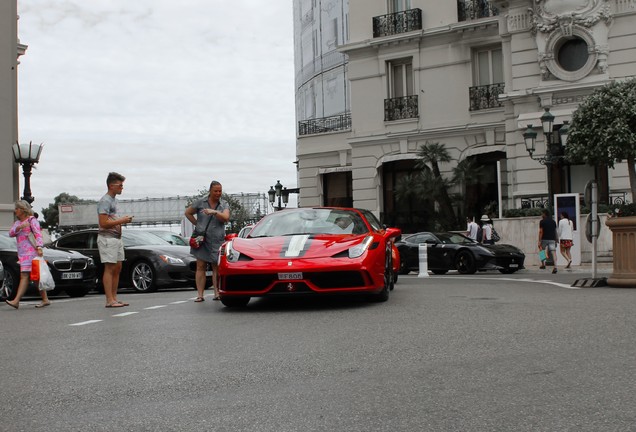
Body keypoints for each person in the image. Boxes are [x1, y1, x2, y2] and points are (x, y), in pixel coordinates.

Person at [185, 180, 230, 302]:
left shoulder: (224, 204)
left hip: (217, 239)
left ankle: (217, 293)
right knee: (200, 266)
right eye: (215, 191)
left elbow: (226, 218)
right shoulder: (201, 202)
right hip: (202, 239)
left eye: (220, 191)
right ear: (210, 191)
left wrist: (214, 212)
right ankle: (200, 295)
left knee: (216, 266)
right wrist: (197, 225)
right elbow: (188, 213)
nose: (218, 193)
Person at [97, 172, 133, 308]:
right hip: (107, 238)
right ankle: (109, 300)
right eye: (120, 185)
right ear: (111, 185)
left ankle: (114, 298)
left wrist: (121, 221)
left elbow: (111, 219)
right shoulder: (105, 200)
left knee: (117, 267)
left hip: (116, 238)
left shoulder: (114, 200)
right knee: (110, 267)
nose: (122, 187)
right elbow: (103, 222)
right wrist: (122, 220)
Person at [5, 200, 50, 309]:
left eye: (17, 209)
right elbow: (11, 233)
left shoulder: (32, 220)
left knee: (26, 276)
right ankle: (45, 299)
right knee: (34, 277)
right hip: (23, 254)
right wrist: (20, 227)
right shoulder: (17, 223)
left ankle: (16, 301)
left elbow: (38, 234)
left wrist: (39, 247)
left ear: (23, 210)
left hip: (32, 253)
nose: (15, 211)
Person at [538, 209, 558, 274]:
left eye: (542, 214)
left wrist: (539, 240)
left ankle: (543, 264)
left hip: (544, 239)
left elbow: (541, 231)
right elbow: (555, 231)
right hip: (552, 239)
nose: (541, 215)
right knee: (553, 253)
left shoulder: (542, 221)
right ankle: (555, 267)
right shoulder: (553, 222)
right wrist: (556, 239)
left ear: (544, 214)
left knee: (541, 251)